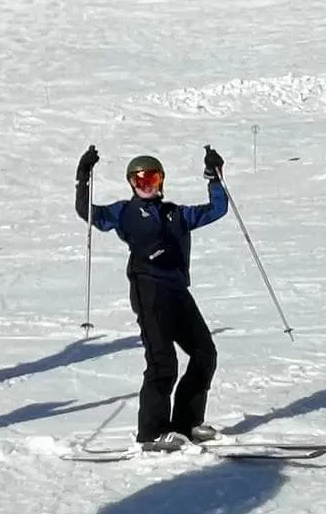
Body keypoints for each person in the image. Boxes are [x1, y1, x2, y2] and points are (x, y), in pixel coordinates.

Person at [76, 145, 228, 446]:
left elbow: (217, 209)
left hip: (177, 291)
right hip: (149, 290)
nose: (147, 186)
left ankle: (187, 423)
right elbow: (89, 213)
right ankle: (152, 432)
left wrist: (214, 177)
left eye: (153, 179)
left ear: (161, 182)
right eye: (140, 180)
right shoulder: (125, 212)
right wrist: (83, 179)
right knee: (162, 362)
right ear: (132, 184)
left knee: (204, 353)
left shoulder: (177, 214)